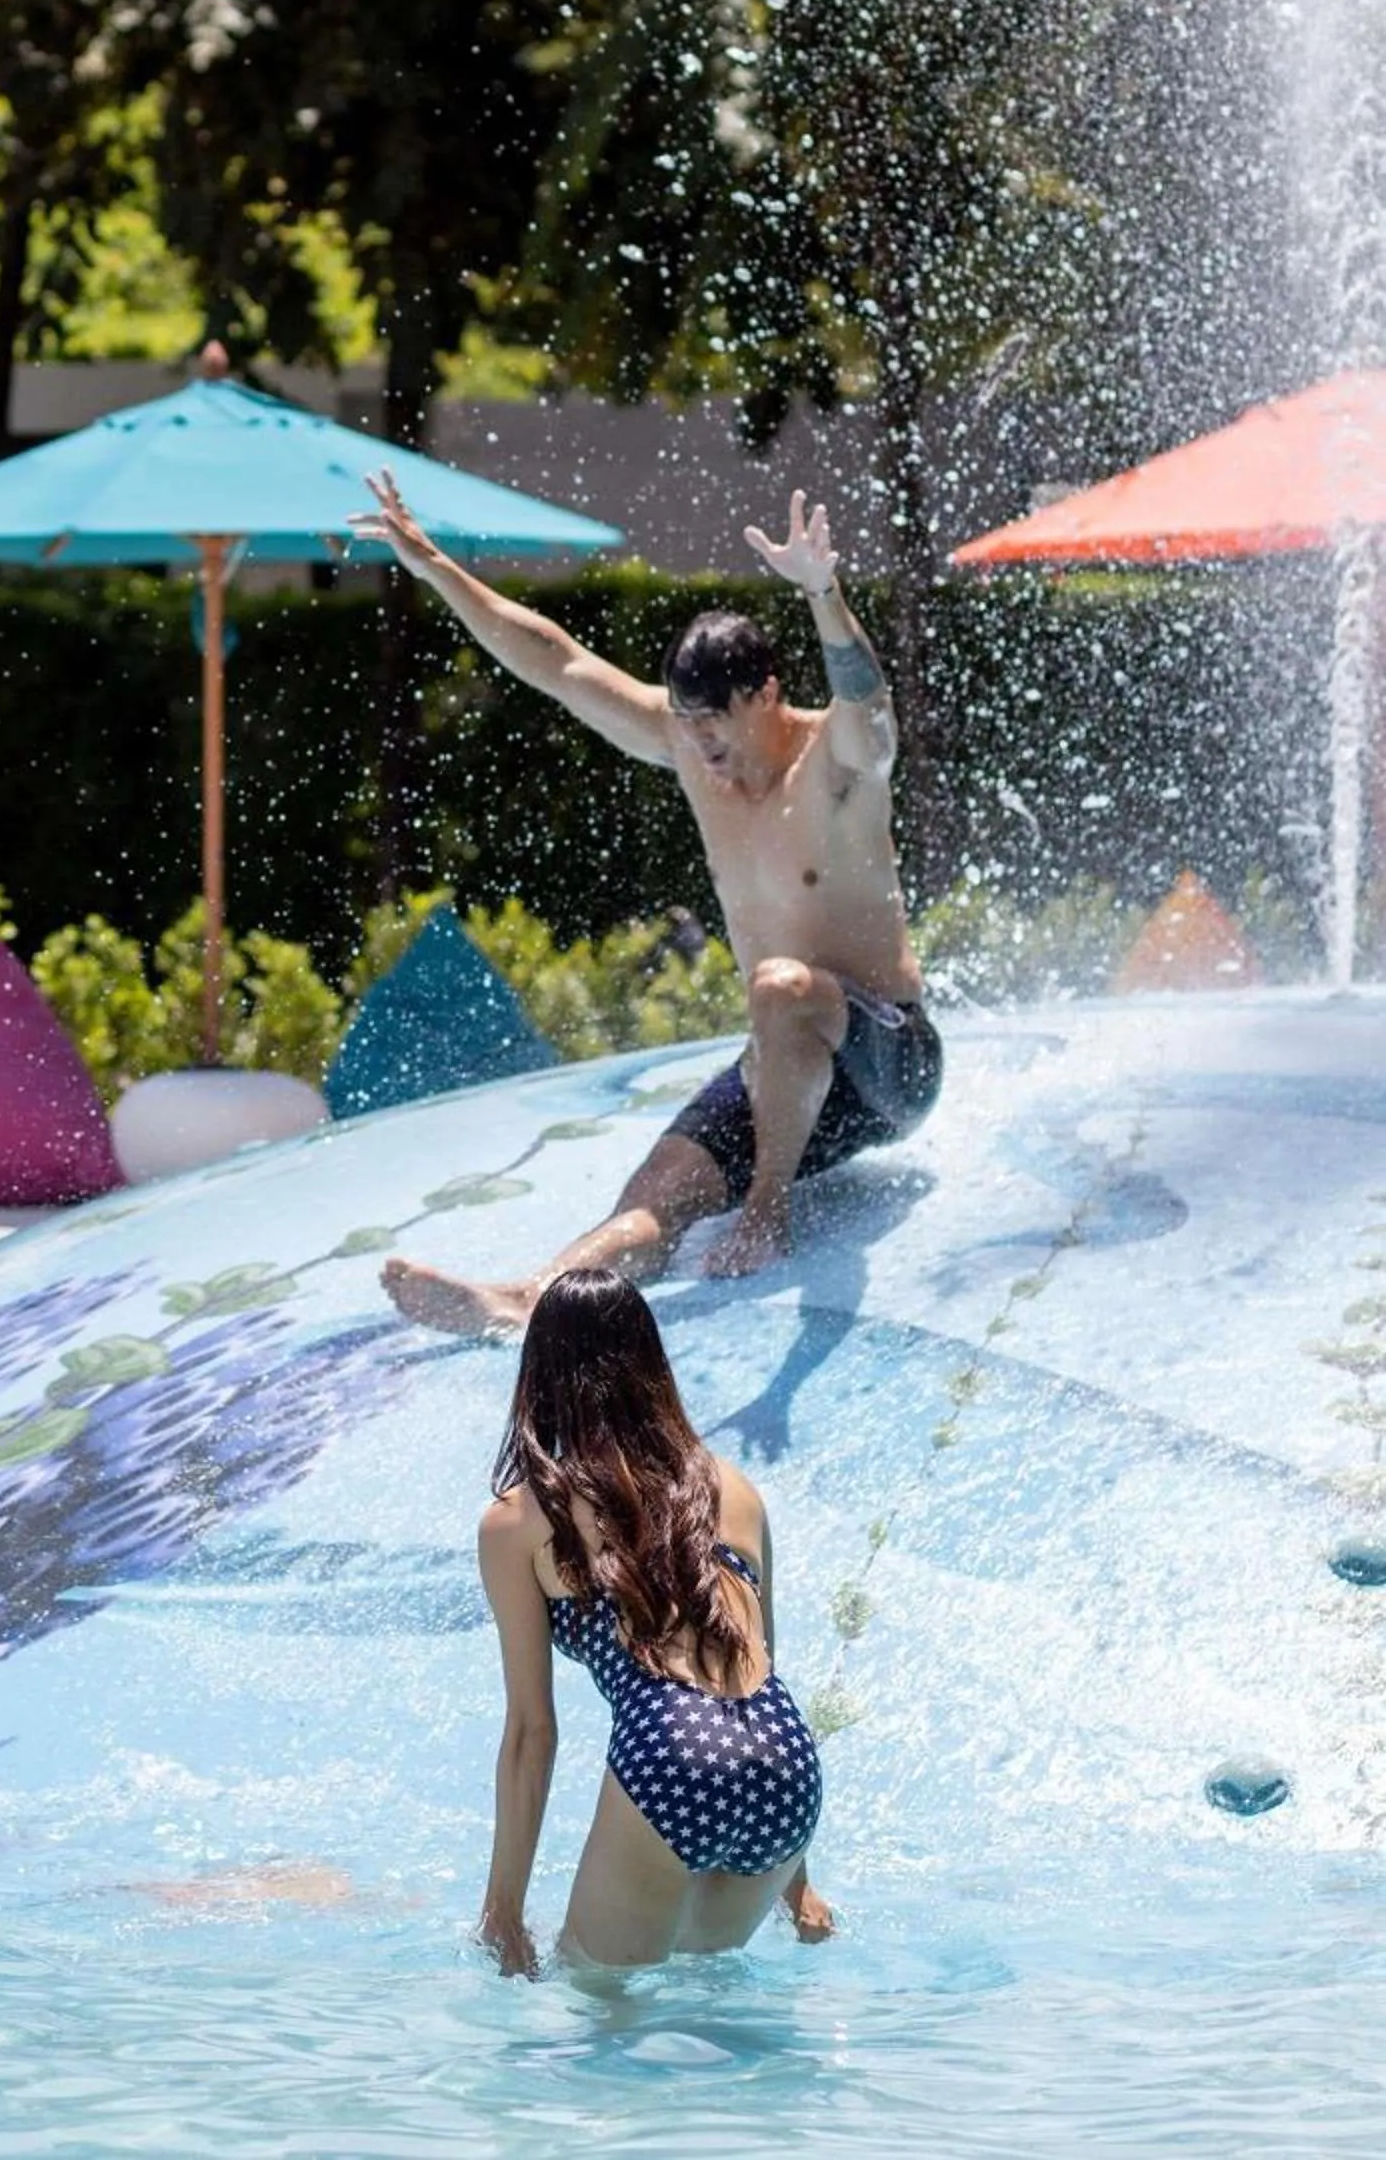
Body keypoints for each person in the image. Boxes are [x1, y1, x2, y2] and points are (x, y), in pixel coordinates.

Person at [349, 475, 944, 1334]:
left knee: (781, 985)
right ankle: (527, 1301)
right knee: (654, 1198)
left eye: (716, 721)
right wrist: (436, 568)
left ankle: (766, 1211)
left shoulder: (836, 767)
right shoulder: (692, 751)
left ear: (766, 693)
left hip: (889, 1060)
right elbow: (559, 664)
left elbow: (871, 710)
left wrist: (824, 592)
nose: (700, 742)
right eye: (686, 721)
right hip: (785, 1071)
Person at [473, 1269, 832, 1976]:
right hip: (785, 1760)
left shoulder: (520, 1519)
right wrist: (799, 1885)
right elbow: (755, 1667)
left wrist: (503, 1909)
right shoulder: (733, 1487)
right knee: (705, 2000)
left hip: (673, 1751)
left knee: (596, 1999)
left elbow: (531, 1732)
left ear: (540, 1375)